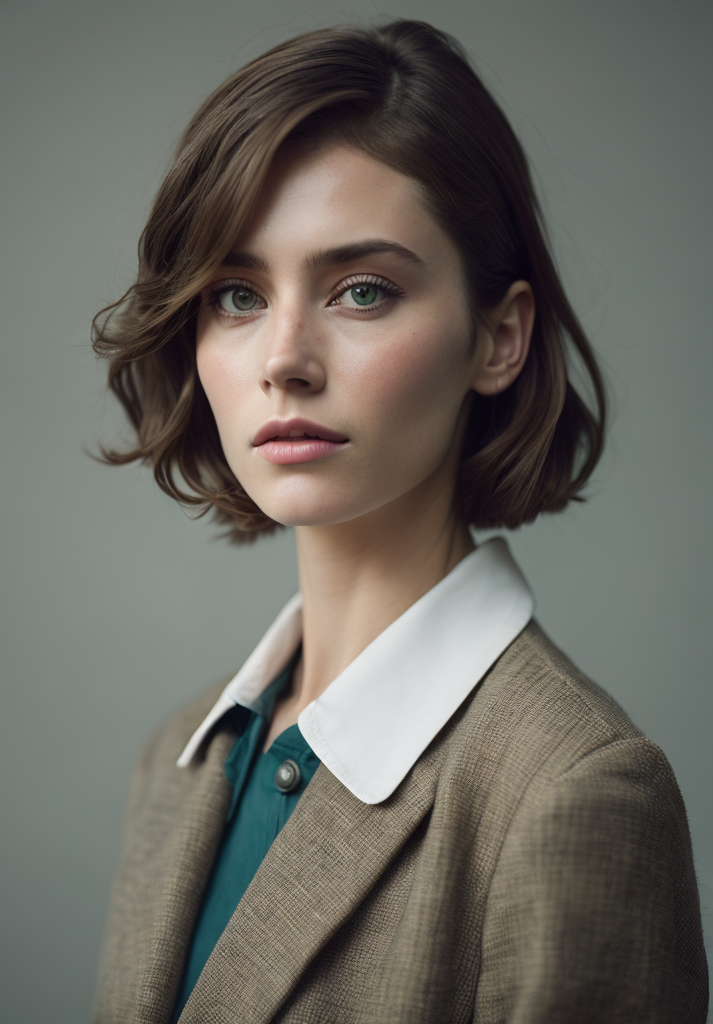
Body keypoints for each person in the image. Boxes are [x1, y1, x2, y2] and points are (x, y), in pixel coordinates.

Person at [90, 19, 708, 1024]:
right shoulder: (179, 758)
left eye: (362, 290)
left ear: (498, 337)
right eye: (238, 294)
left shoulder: (575, 789)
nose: (283, 356)